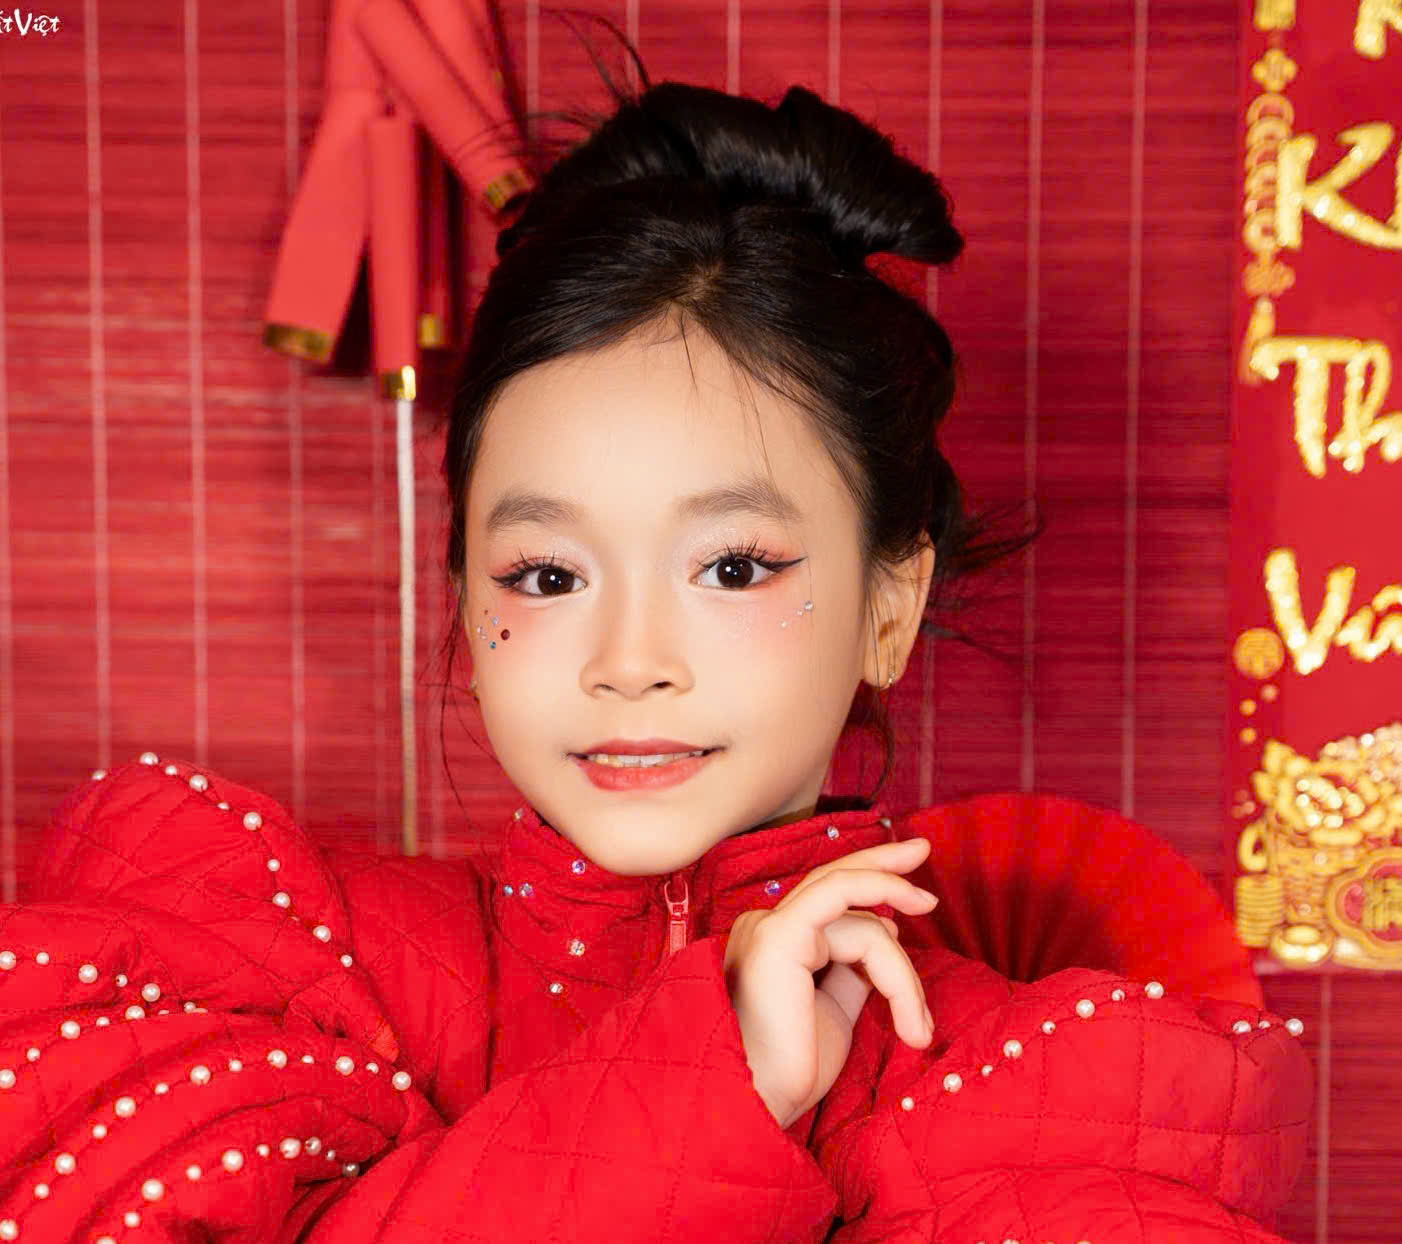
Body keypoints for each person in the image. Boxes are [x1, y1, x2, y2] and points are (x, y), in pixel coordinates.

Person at [0, 68, 1308, 1244]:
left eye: (732, 568)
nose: (628, 661)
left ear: (888, 606)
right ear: (463, 595)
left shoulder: (1021, 1096)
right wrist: (705, 1091)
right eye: (547, 576)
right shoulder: (282, 969)